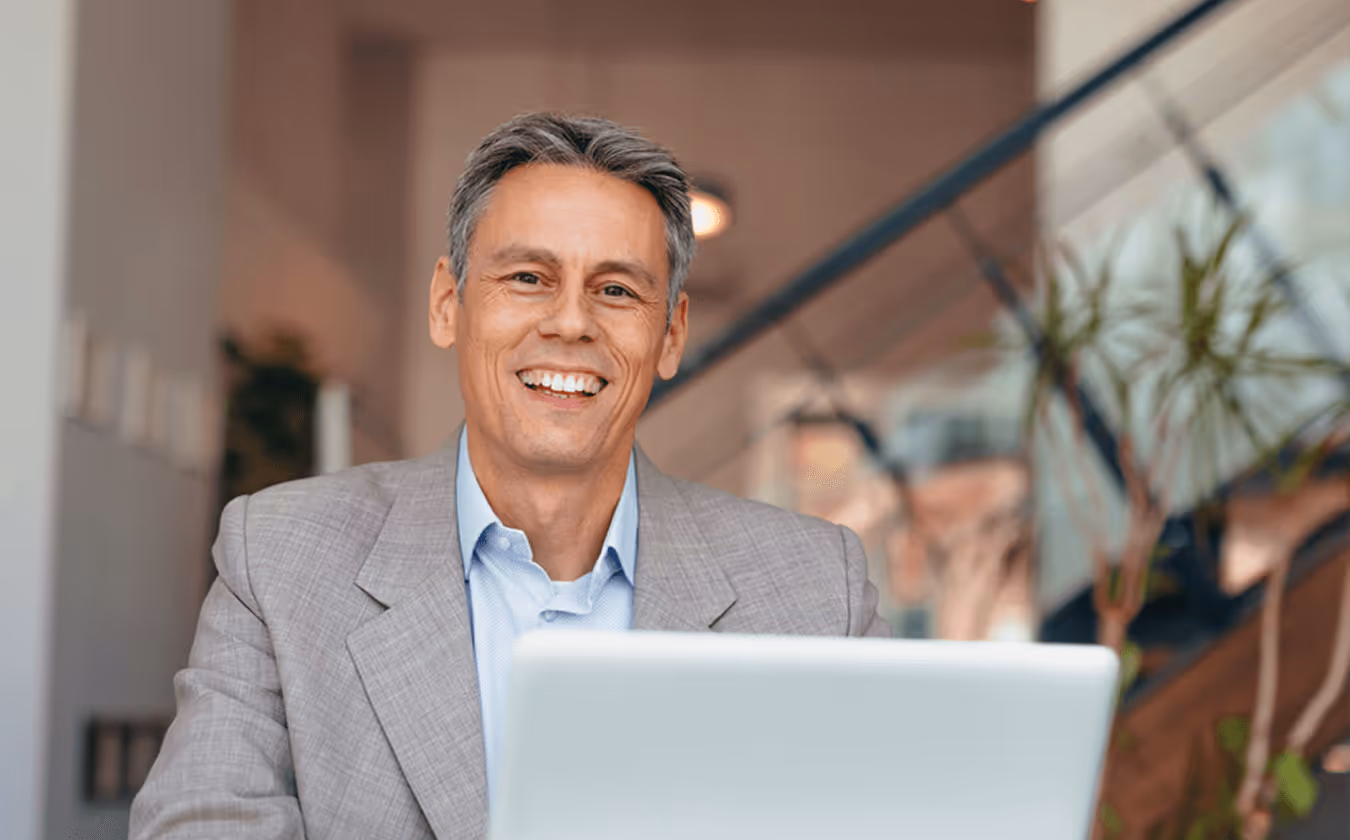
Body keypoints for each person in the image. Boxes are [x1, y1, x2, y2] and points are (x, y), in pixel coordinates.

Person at [129, 112, 890, 840]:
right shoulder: (282, 557)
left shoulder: (816, 590)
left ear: (672, 335)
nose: (570, 322)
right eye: (527, 277)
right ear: (447, 304)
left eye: (617, 289)